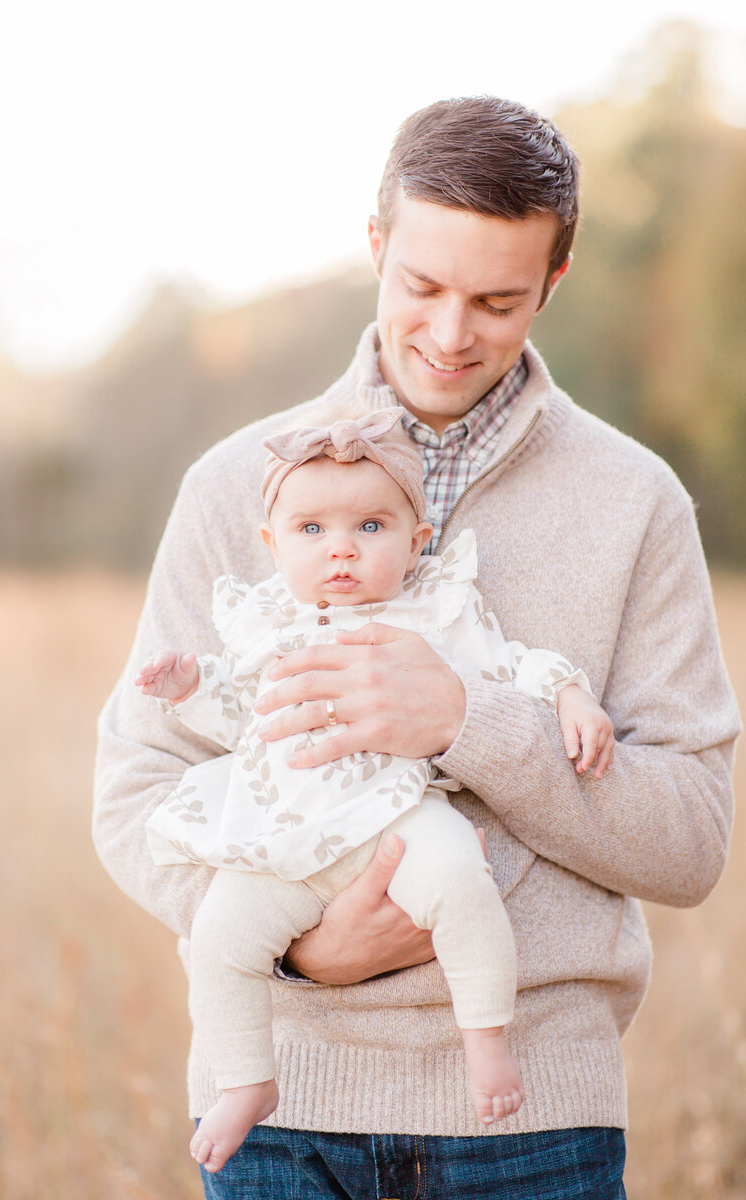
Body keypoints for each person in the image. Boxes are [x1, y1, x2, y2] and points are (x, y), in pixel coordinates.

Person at [93, 95, 740, 1199]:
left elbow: (687, 842)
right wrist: (300, 947)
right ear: (375, 245)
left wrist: (468, 725)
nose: (449, 336)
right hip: (277, 1122)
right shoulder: (235, 489)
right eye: (421, 287)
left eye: (495, 300)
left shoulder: (635, 502)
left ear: (552, 281)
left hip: (537, 1127)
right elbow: (134, 790)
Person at [133, 408, 614, 1174]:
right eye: (312, 531)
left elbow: (513, 665)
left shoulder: (434, 610)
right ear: (272, 543)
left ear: (416, 540)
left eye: (370, 527)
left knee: (461, 880)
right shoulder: (266, 625)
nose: (342, 551)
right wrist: (190, 685)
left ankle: (486, 1039)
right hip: (284, 834)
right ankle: (246, 1081)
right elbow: (241, 716)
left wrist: (570, 698)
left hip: (397, 817)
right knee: (222, 936)